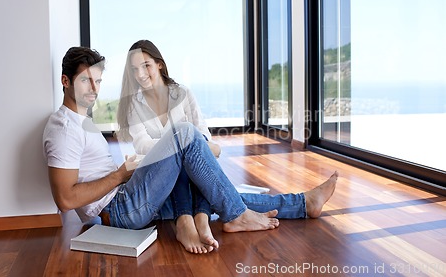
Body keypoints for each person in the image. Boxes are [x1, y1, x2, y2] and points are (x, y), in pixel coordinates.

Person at [43, 46, 339, 255]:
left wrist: (126, 175)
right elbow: (66, 198)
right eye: (85, 80)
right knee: (184, 133)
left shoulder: (80, 120)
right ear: (65, 81)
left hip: (125, 198)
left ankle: (303, 203)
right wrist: (120, 175)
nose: (93, 88)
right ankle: (234, 216)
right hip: (119, 210)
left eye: (97, 80)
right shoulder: (64, 128)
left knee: (212, 194)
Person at [116, 40, 221, 253]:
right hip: (161, 174)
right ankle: (190, 219)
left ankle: (200, 218)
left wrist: (184, 145)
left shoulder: (183, 93)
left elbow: (204, 136)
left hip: (193, 171)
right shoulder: (134, 105)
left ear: (159, 65)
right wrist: (179, 145)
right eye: (135, 69)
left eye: (146, 65)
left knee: (192, 146)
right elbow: (142, 145)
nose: (141, 74)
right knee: (183, 152)